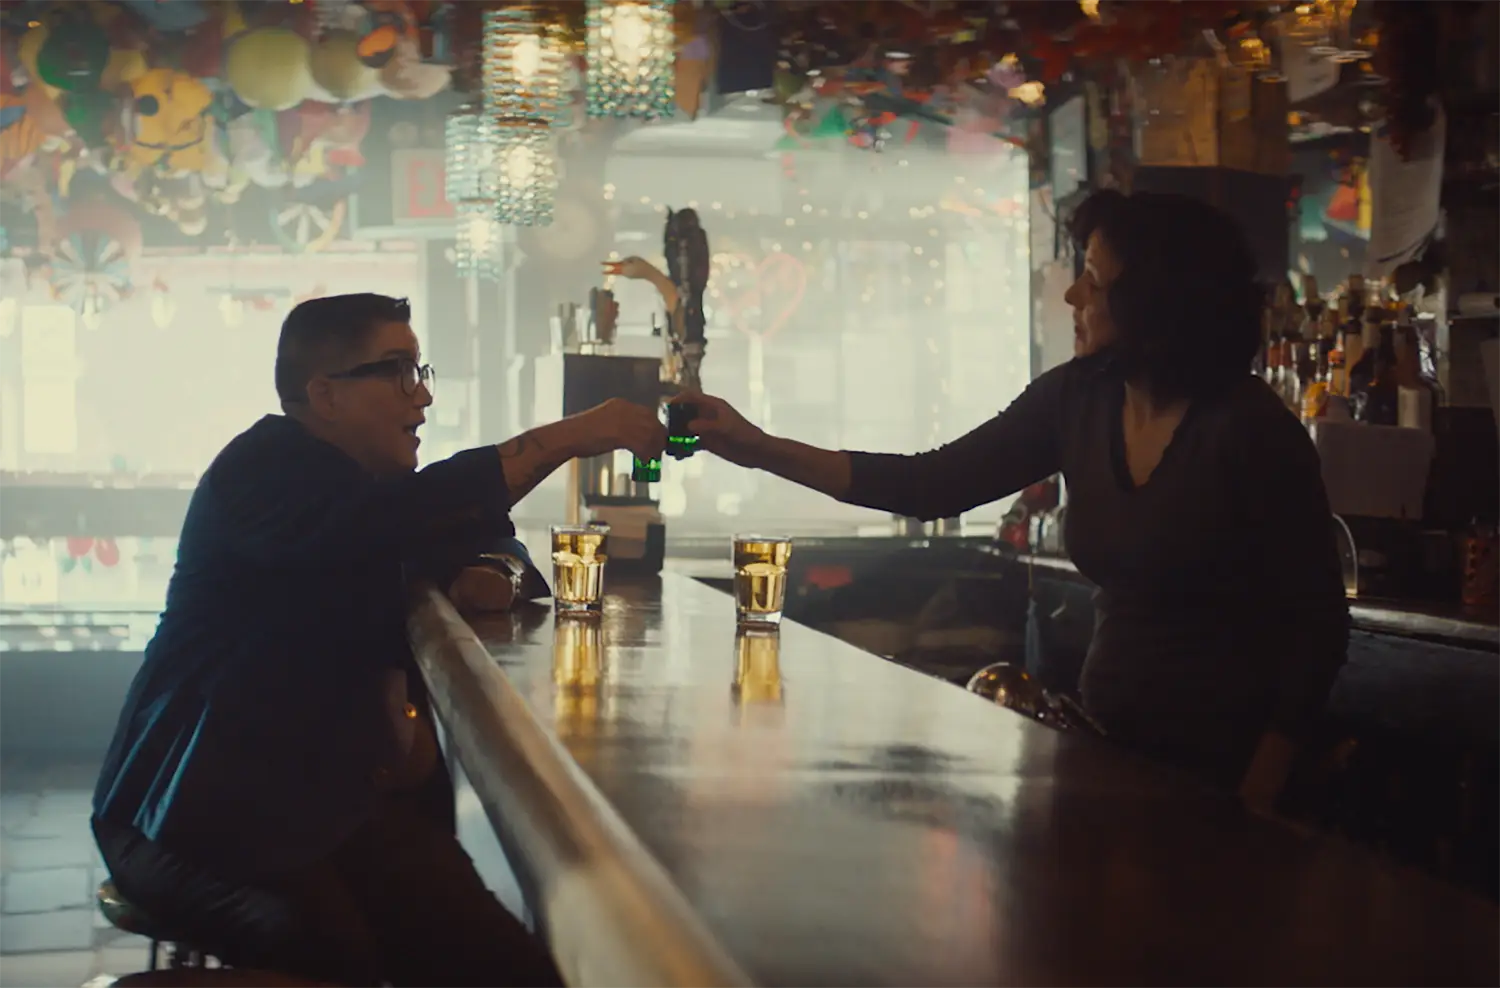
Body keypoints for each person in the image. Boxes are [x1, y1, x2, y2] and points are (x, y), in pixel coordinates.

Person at [677, 190, 1350, 808]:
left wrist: (1258, 795)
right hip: (1110, 752)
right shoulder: (1079, 398)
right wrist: (755, 445)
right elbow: (933, 483)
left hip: (1224, 775)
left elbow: (1317, 629)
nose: (1072, 297)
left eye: (1092, 278)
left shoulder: (1250, 430)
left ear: (1152, 301)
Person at [92, 294, 665, 986]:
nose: (421, 397)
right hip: (189, 815)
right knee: (335, 956)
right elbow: (402, 516)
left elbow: (483, 529)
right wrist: (572, 434)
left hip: (327, 809)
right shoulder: (261, 469)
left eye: (420, 371)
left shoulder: (374, 489)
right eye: (397, 372)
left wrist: (494, 568)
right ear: (324, 394)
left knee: (503, 965)